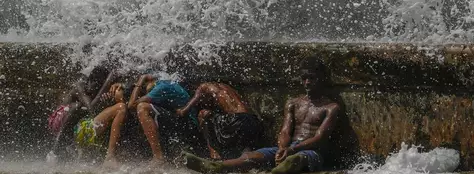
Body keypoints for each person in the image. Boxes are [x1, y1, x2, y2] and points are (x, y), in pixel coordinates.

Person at [183, 57, 340, 174]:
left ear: (321, 79)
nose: (307, 82)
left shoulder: (331, 107)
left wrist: (292, 151)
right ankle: (217, 166)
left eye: (311, 78)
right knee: (252, 155)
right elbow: (285, 130)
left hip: (312, 152)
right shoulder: (293, 103)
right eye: (304, 78)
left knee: (298, 160)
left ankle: (281, 169)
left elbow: (321, 137)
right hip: (288, 148)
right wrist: (283, 148)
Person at [176, 82, 266, 159]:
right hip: (253, 121)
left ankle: (214, 153)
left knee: (202, 114)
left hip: (237, 121)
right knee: (244, 141)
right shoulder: (227, 88)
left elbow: (184, 111)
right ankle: (245, 158)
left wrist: (178, 110)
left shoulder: (203, 87)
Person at [128, 73, 201, 166]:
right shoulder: (165, 83)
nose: (144, 91)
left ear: (149, 80)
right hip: (183, 122)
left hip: (188, 126)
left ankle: (158, 158)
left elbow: (131, 105)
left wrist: (140, 81)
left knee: (142, 108)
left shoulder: (160, 87)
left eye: (143, 87)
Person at [46, 65, 116, 162]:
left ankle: (71, 147)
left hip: (75, 123)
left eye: (99, 85)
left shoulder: (96, 90)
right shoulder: (80, 86)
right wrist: (105, 86)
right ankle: (56, 148)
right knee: (77, 106)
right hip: (58, 121)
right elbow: (90, 108)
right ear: (89, 80)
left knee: (83, 109)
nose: (95, 87)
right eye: (94, 82)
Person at [72, 82, 131, 167]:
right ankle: (110, 157)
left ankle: (108, 157)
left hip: (94, 138)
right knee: (121, 107)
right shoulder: (112, 101)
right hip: (84, 130)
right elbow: (92, 111)